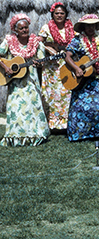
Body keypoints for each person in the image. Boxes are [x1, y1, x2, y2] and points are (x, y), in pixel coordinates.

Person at [62, 14, 99, 142]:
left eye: (93, 25)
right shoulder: (77, 41)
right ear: (83, 27)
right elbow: (67, 56)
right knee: (80, 107)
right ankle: (79, 134)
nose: (90, 28)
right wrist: (77, 68)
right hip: (83, 80)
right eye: (88, 25)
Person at [1, 15, 50, 146]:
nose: (24, 30)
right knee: (16, 107)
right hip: (15, 82)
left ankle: (35, 134)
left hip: (31, 80)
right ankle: (15, 136)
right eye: (21, 28)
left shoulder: (36, 42)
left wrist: (38, 63)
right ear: (15, 30)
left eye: (26, 27)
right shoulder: (9, 41)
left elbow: (41, 62)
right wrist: (6, 68)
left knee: (32, 106)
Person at [38, 2, 72, 132]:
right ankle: (53, 124)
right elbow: (38, 42)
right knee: (53, 94)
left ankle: (66, 123)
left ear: (65, 15)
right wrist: (47, 48)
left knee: (66, 92)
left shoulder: (70, 28)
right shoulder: (46, 28)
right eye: (56, 13)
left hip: (66, 64)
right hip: (52, 66)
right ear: (52, 14)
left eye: (62, 13)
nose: (59, 15)